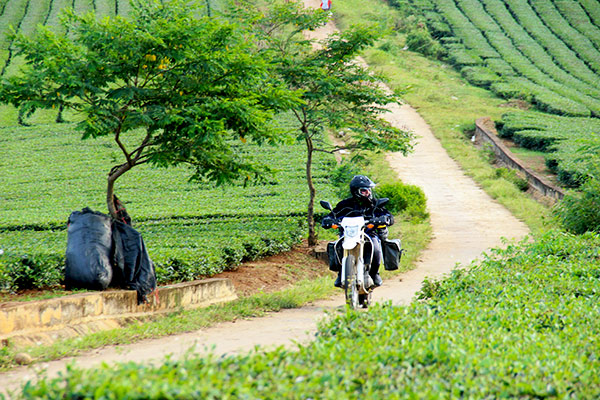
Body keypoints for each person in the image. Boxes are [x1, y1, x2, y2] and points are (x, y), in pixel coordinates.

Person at [321, 175, 394, 288]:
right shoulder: (345, 204)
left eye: (368, 190)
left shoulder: (374, 204)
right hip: (348, 235)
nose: (368, 193)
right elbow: (333, 214)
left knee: (376, 248)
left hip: (368, 234)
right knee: (337, 246)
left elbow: (388, 215)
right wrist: (328, 220)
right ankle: (341, 273)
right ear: (356, 191)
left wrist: (385, 218)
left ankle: (374, 274)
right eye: (364, 191)